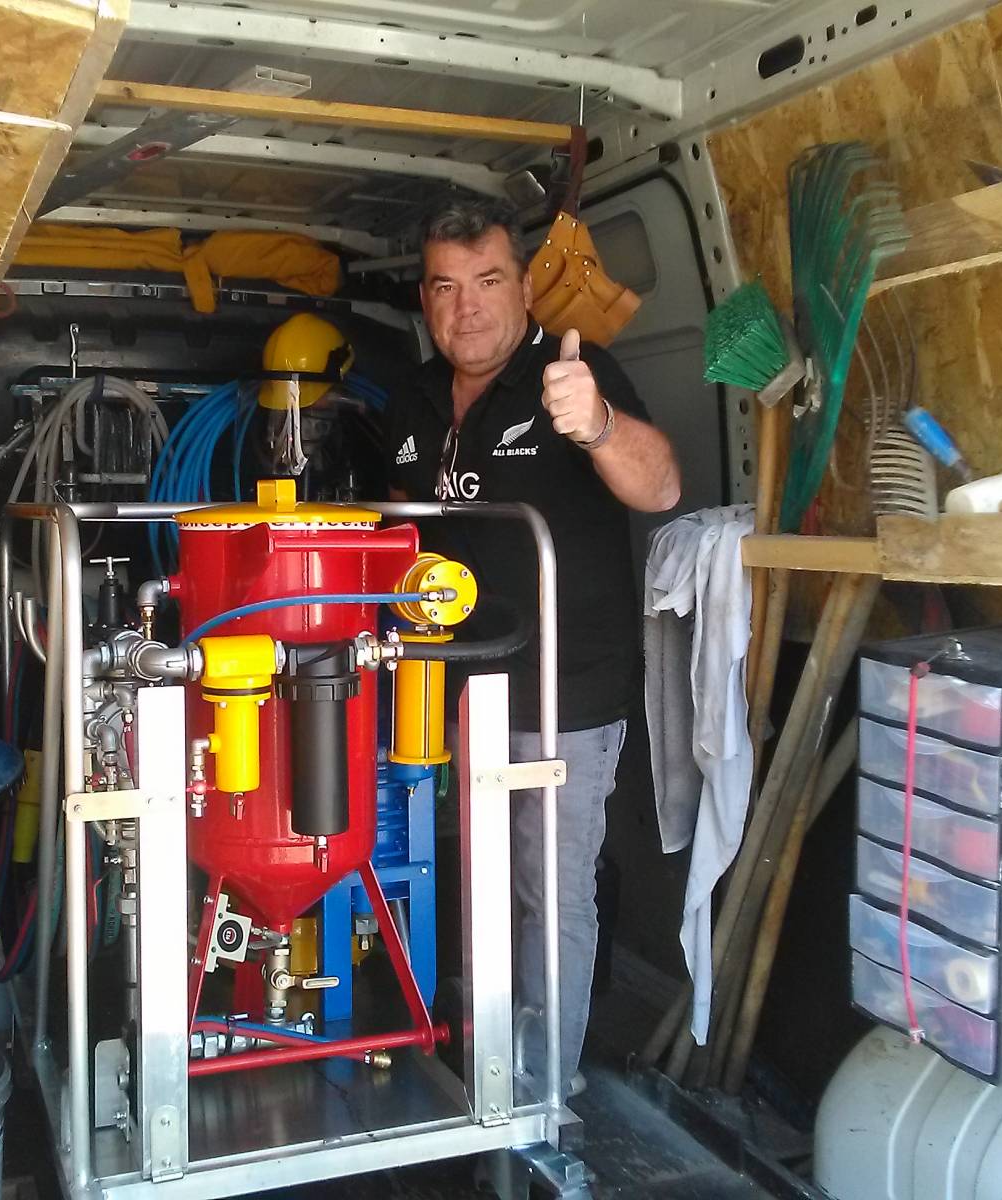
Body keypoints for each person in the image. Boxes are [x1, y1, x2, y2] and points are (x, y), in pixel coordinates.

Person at [385, 198, 680, 1093]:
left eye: (488, 281)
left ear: (523, 287)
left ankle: (544, 1089)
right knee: (478, 874)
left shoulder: (573, 377)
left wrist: (597, 425)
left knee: (549, 887)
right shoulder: (413, 399)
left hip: (564, 692)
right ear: (426, 300)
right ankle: (489, 1052)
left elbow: (662, 487)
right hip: (454, 692)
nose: (467, 307)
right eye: (446, 287)